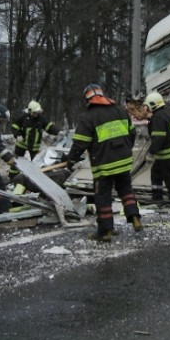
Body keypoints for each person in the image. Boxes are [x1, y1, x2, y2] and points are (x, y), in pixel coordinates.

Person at [67, 84, 142, 241]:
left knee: (103, 197)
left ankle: (105, 231)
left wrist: (71, 160)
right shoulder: (121, 110)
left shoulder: (88, 117)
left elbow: (80, 143)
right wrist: (126, 149)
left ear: (87, 99)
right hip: (123, 161)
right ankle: (135, 217)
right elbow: (132, 133)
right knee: (126, 190)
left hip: (104, 165)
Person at [8, 100, 59, 178]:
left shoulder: (41, 119)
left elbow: (49, 127)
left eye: (37, 113)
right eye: (35, 113)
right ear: (30, 111)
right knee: (17, 162)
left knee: (35, 163)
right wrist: (17, 135)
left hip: (34, 146)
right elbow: (14, 127)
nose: (36, 114)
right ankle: (12, 177)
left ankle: (34, 179)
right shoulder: (23, 117)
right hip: (21, 144)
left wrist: (57, 132)